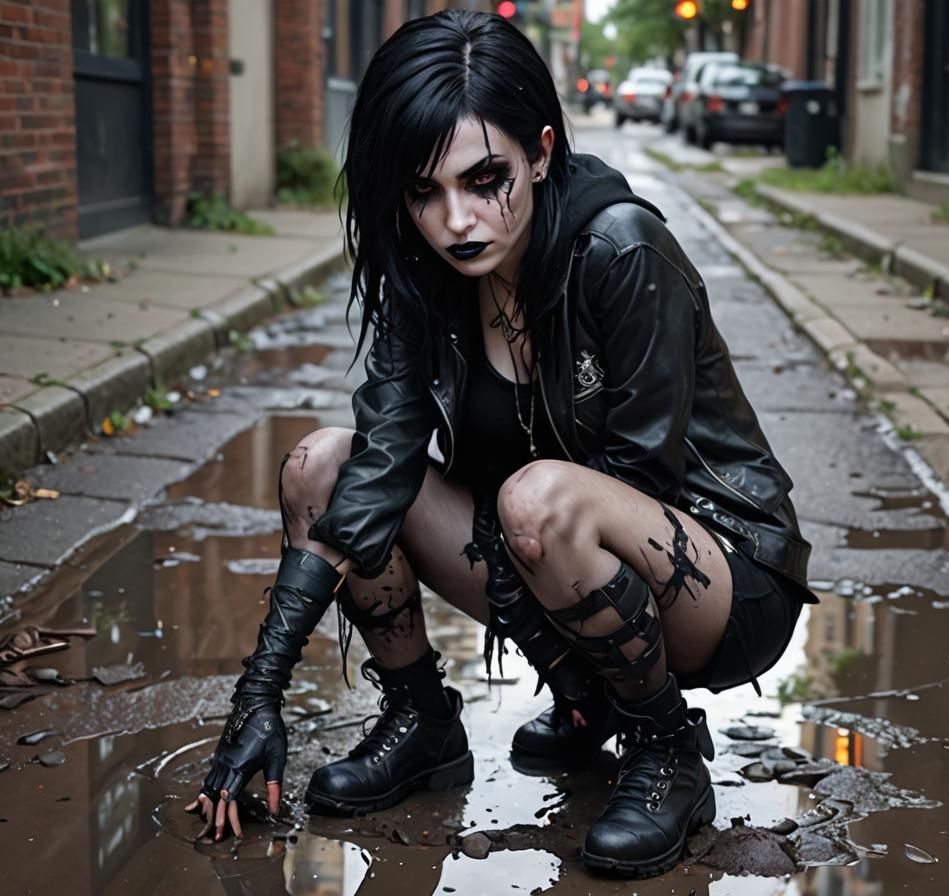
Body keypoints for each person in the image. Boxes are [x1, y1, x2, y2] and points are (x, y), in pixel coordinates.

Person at [185, 9, 816, 879]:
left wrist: (574, 665)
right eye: (424, 191)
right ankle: (422, 722)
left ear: (543, 153)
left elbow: (634, 483)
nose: (457, 220)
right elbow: (380, 471)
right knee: (323, 467)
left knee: (538, 499)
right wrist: (258, 698)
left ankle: (665, 746)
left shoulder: (621, 250)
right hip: (549, 556)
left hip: (720, 572)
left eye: (486, 180)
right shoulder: (428, 271)